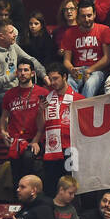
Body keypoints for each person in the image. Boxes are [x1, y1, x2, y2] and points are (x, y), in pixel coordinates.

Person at [34, 62, 82, 196]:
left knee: (71, 187)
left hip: (71, 149)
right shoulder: (46, 99)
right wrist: (40, 111)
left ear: (65, 77)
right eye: (51, 79)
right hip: (51, 148)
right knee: (51, 189)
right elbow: (40, 127)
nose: (53, 82)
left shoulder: (79, 99)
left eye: (56, 78)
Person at [0, 61, 48, 187]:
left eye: (26, 70)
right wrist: (3, 132)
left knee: (28, 159)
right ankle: (17, 200)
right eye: (20, 70)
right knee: (15, 173)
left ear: (32, 73)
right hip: (15, 141)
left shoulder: (42, 93)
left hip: (35, 139)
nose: (22, 73)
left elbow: (46, 121)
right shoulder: (10, 94)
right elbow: (4, 117)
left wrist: (36, 140)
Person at [0, 23, 44, 103]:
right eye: (11, 33)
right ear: (1, 36)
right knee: (21, 100)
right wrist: (13, 75)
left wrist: (44, 76)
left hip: (16, 90)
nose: (15, 35)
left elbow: (31, 60)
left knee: (39, 95)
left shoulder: (13, 47)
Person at [62, 1, 110, 98]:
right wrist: (72, 69)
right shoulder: (70, 33)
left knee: (90, 83)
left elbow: (107, 58)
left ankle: (84, 110)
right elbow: (66, 60)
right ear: (78, 16)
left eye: (89, 15)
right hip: (80, 72)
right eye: (83, 16)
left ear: (94, 15)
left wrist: (89, 70)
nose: (87, 19)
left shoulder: (104, 30)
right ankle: (70, 109)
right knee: (70, 82)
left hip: (97, 70)